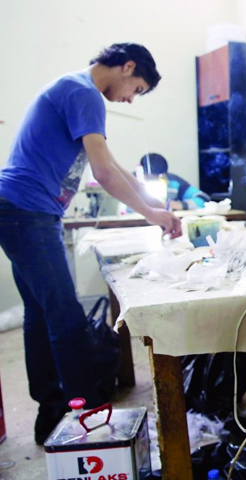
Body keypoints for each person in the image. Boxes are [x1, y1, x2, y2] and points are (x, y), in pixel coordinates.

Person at [0, 43, 181, 444]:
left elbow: (113, 164)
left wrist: (157, 205)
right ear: (127, 66)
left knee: (41, 313)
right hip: (27, 211)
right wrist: (153, 216)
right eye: (136, 88)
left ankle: (49, 412)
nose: (131, 98)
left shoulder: (74, 88)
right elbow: (104, 174)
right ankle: (86, 418)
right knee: (65, 319)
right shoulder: (84, 92)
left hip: (18, 209)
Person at [139, 153, 211, 210]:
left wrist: (182, 205)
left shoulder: (174, 182)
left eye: (159, 178)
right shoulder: (132, 181)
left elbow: (203, 198)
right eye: (150, 178)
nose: (154, 182)